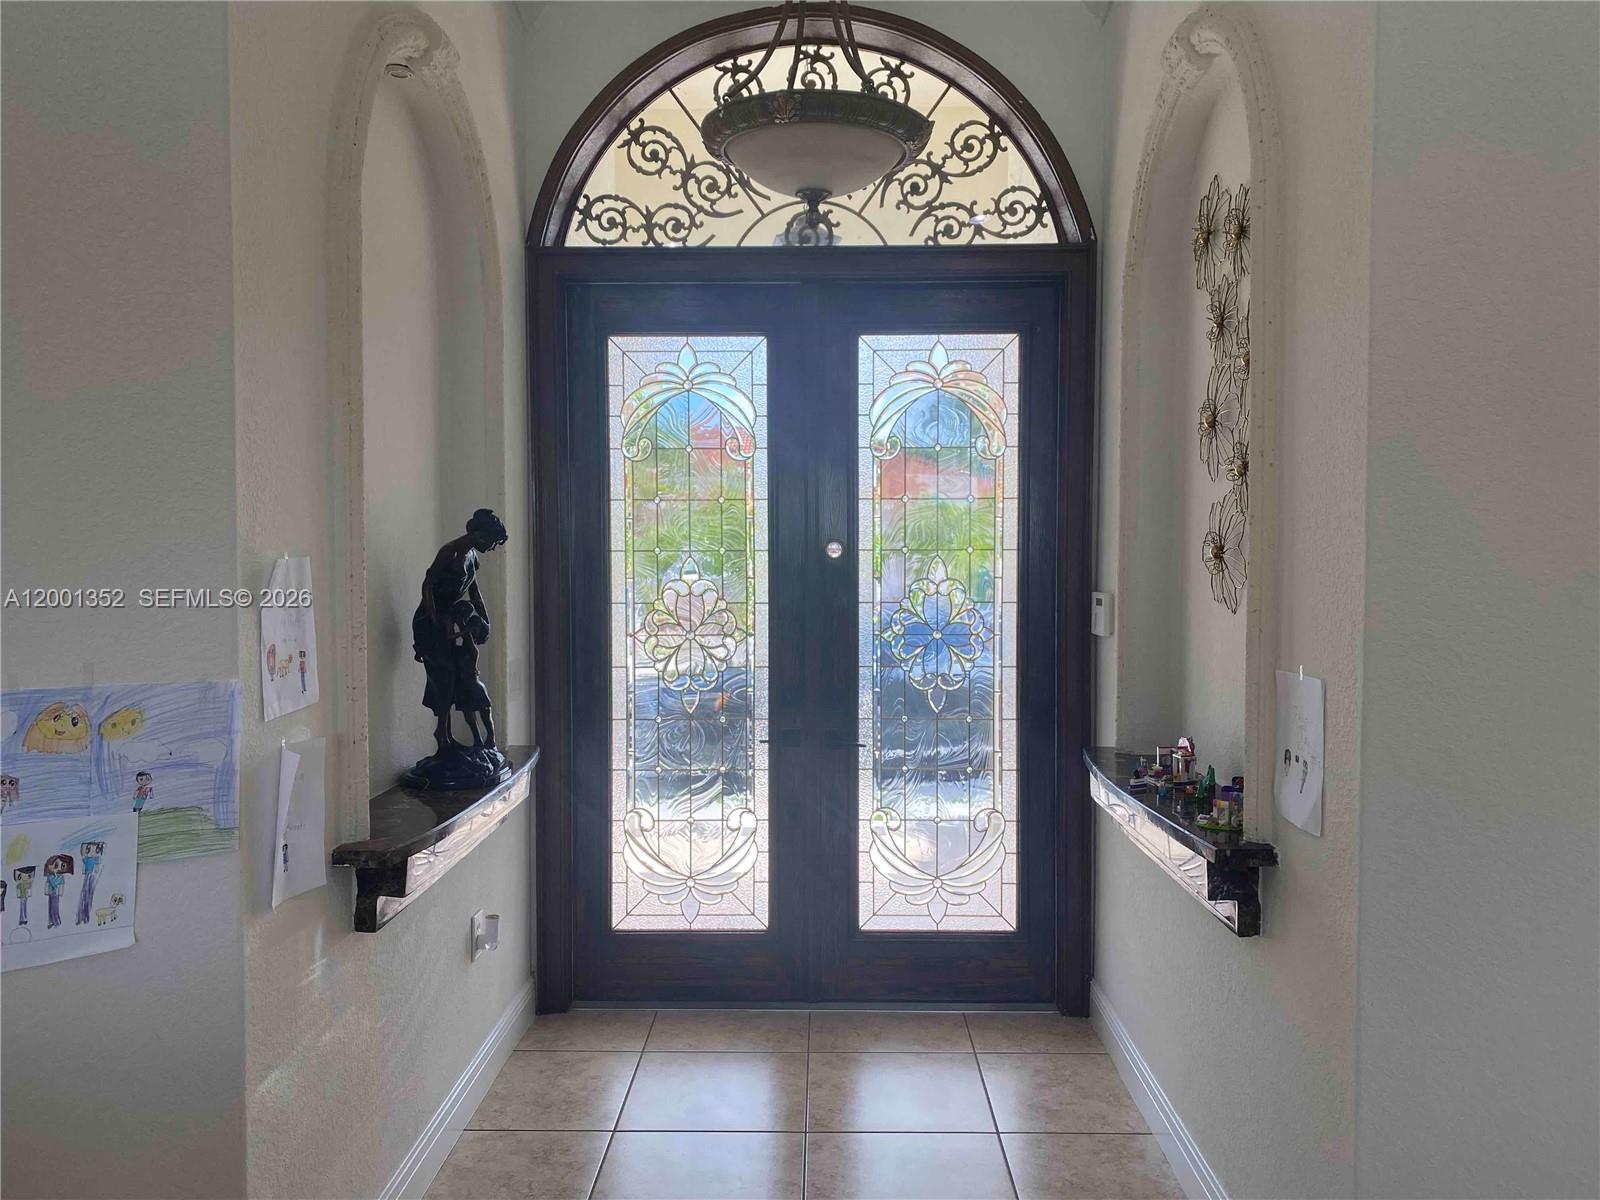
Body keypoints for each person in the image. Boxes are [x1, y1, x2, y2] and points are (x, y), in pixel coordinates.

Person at [411, 509, 508, 757]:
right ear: (478, 534)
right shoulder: (450, 552)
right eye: (491, 541)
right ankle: (442, 736)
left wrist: (485, 621)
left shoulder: (473, 557)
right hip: (429, 622)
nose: (492, 547)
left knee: (452, 677)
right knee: (443, 675)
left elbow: (474, 593)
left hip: (448, 621)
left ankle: (445, 735)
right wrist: (435, 620)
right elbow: (428, 585)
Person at [75, 840, 104, 926]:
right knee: (84, 895)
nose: (92, 852)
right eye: (89, 849)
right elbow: (83, 854)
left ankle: (86, 917)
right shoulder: (86, 859)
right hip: (87, 876)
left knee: (88, 895)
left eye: (95, 850)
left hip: (92, 876)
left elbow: (97, 868)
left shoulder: (96, 859)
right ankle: (80, 917)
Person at [43, 854, 73, 929]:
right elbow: (47, 884)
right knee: (50, 907)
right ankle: (51, 921)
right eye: (56, 865)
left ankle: (56, 921)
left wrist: (60, 893)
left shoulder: (60, 877)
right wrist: (46, 892)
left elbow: (61, 885)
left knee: (55, 908)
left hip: (56, 894)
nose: (58, 868)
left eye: (62, 866)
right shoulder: (50, 876)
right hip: (51, 893)